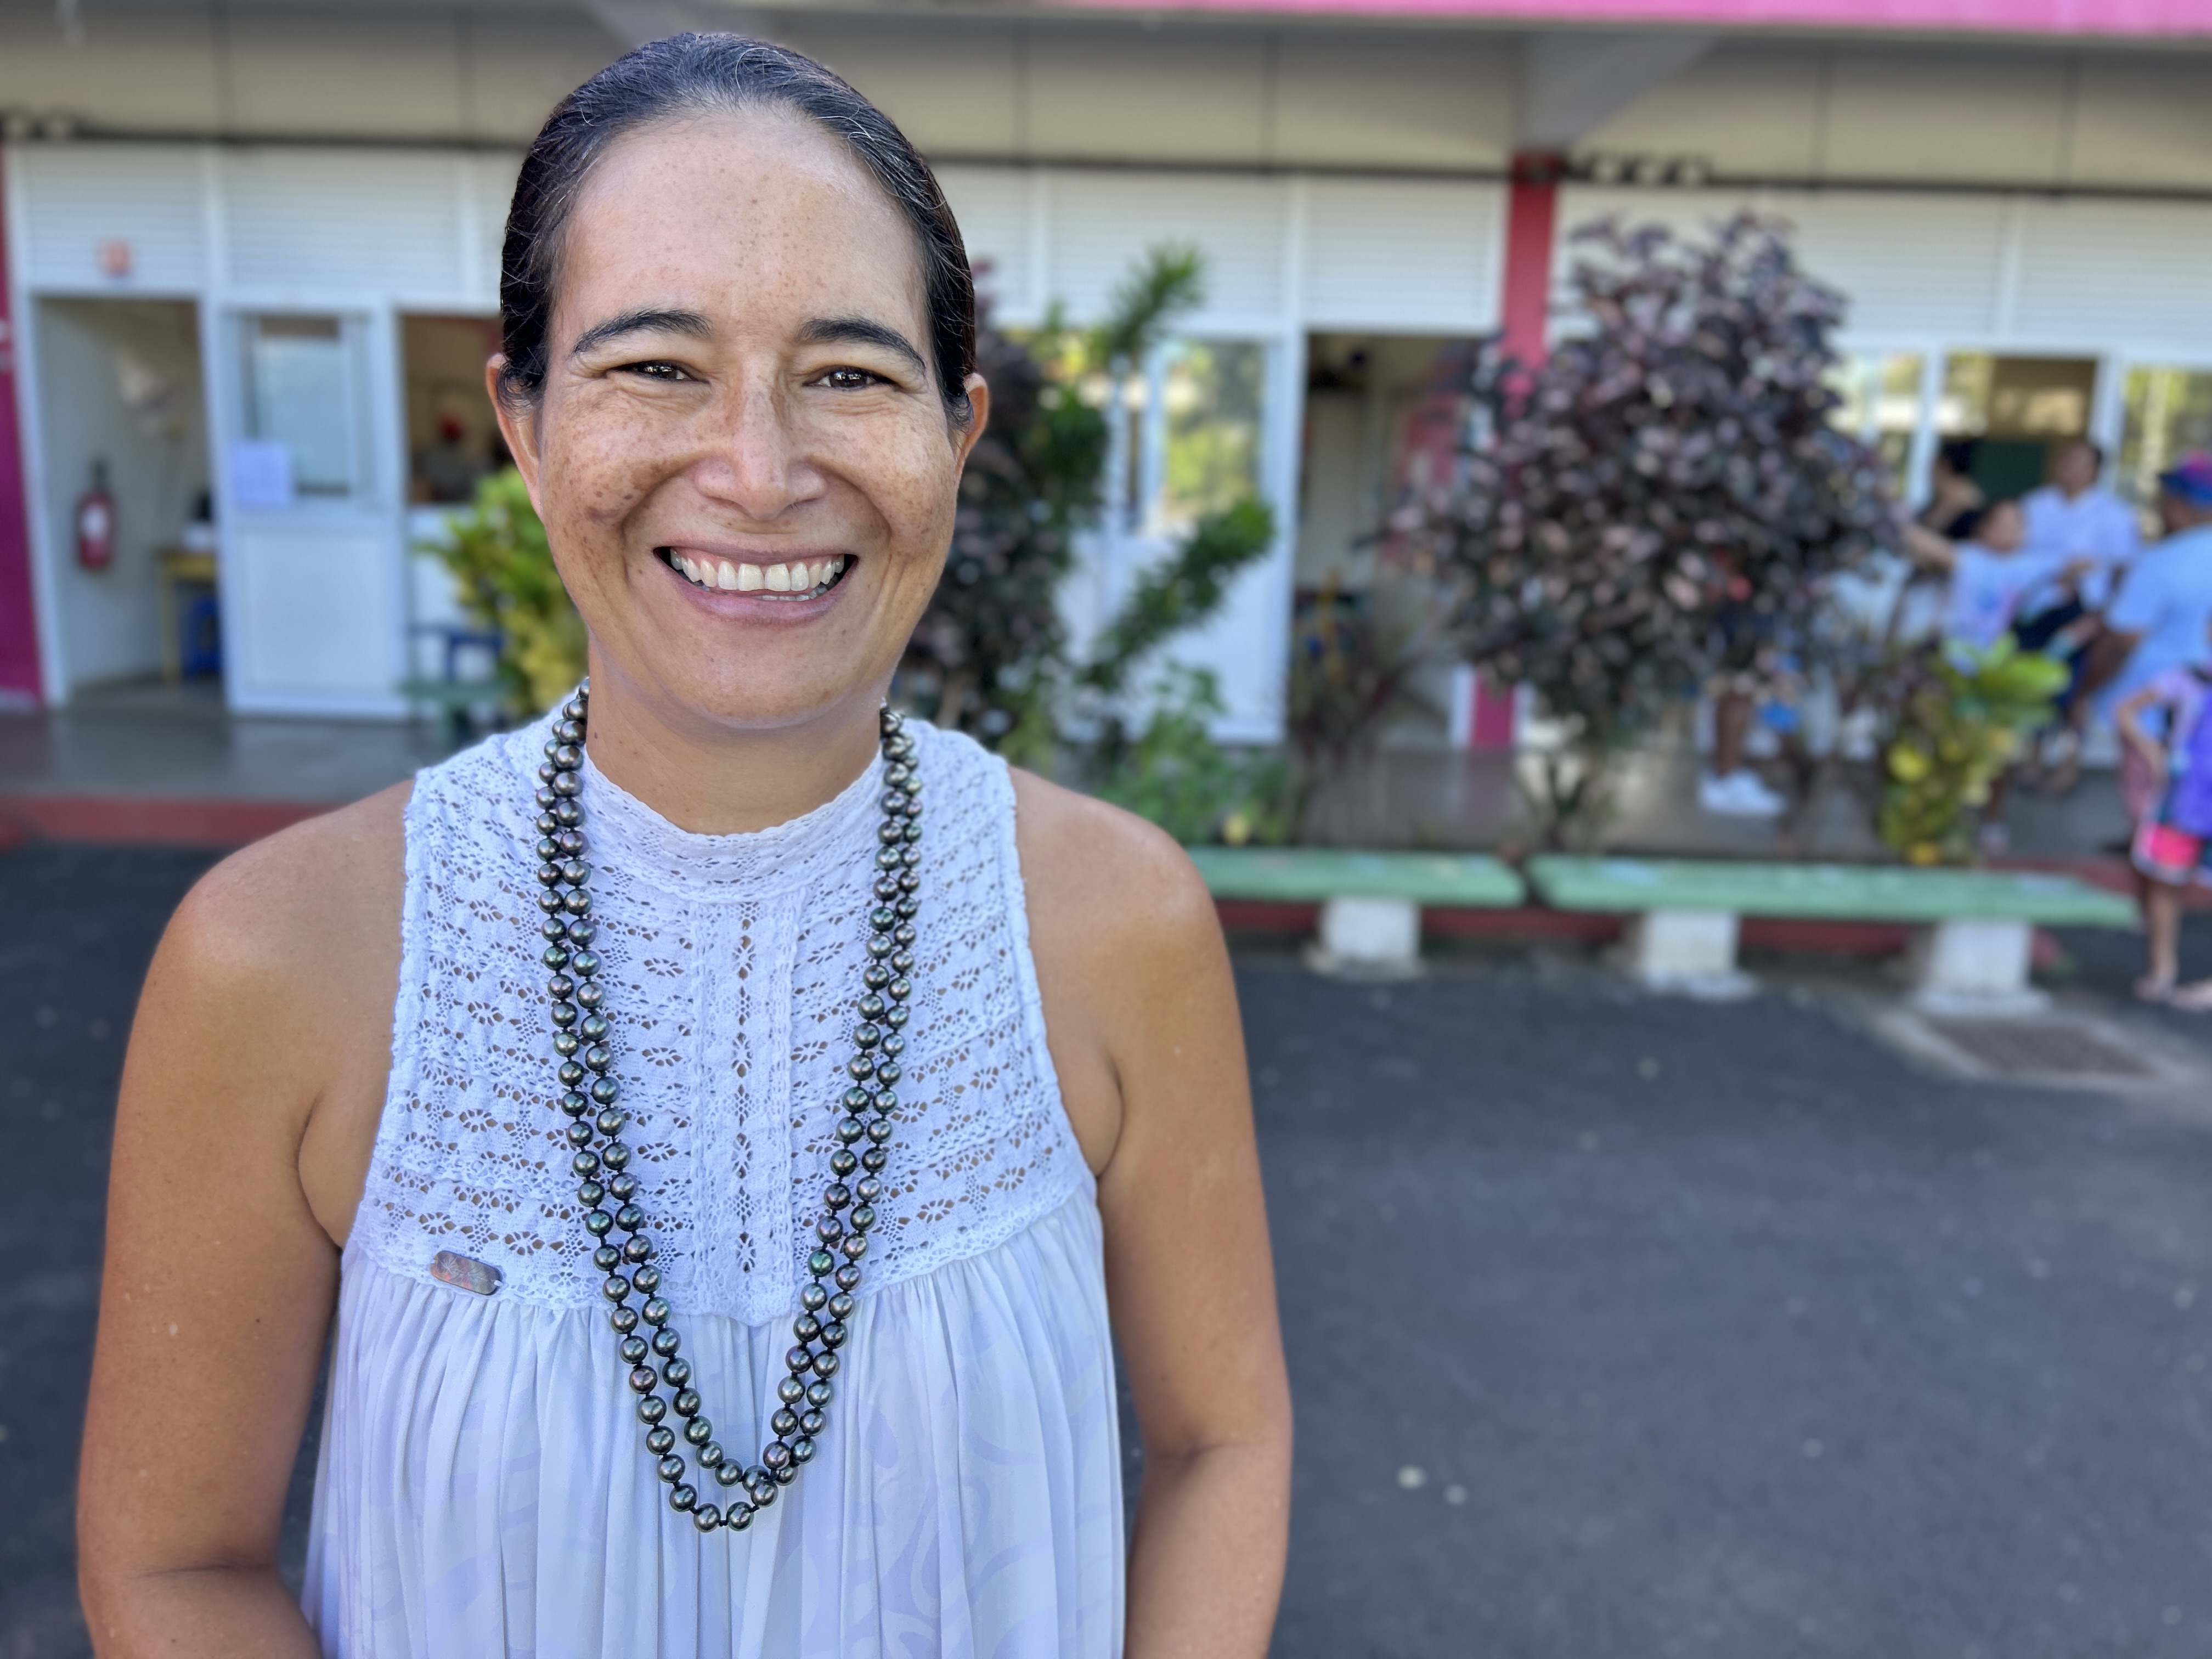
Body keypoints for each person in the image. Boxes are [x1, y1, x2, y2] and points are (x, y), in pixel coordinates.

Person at [77, 35, 1291, 1659]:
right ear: (523, 423)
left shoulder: (1111, 922)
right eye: (656, 367)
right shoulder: (286, 958)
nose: (759, 471)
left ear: (958, 429)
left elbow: (1225, 1443)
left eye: (850, 374)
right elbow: (176, 1568)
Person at [2077, 453, 2212, 831]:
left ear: (2179, 506)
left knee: (2150, 808)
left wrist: (2085, 692)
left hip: (2153, 711)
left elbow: (2121, 642)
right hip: (2196, 720)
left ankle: (2155, 875)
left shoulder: (2161, 562)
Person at [2016, 438, 2140, 787]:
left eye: (2078, 462)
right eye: (2065, 460)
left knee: (2074, 692)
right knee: (2033, 683)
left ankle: (2067, 765)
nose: (2068, 468)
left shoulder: (2114, 515)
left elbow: (2123, 570)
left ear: (2095, 471)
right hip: (2037, 608)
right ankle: (2034, 756)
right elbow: (2018, 555)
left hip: (2084, 615)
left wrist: (2102, 615)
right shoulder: (2036, 506)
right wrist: (2059, 569)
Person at [2113, 621, 2212, 1007]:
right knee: (2165, 882)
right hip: (2182, 801)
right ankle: (2162, 969)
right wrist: (2151, 750)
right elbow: (2125, 710)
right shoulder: (2187, 680)